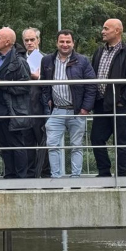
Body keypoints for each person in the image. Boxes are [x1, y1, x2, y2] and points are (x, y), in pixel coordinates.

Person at [39, 30, 95, 178]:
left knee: (76, 145)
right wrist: (48, 99)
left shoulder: (83, 61)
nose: (65, 44)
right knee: (52, 144)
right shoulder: (47, 60)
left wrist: (85, 108)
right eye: (62, 41)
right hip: (57, 110)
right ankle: (56, 177)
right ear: (56, 43)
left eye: (68, 42)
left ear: (73, 43)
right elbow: (43, 83)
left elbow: (91, 86)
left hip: (77, 111)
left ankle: (75, 178)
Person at [91, 19, 126, 177]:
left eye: (106, 28)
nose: (102, 31)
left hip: (120, 105)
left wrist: (122, 100)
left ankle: (121, 175)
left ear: (117, 31)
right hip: (101, 103)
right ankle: (104, 172)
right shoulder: (99, 52)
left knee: (121, 140)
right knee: (96, 138)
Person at [0, 27, 32, 179]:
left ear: (7, 42)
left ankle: (20, 178)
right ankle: (9, 175)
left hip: (12, 110)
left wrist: (2, 84)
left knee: (16, 144)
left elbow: (26, 86)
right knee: (4, 145)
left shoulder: (19, 61)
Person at [22, 27, 49, 178]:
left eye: (32, 40)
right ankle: (29, 176)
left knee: (45, 144)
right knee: (27, 145)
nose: (29, 43)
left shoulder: (47, 59)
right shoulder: (19, 60)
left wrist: (37, 78)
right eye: (26, 40)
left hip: (41, 108)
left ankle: (45, 175)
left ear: (38, 40)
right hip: (24, 109)